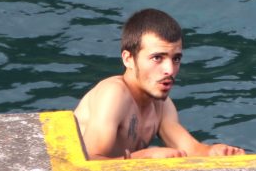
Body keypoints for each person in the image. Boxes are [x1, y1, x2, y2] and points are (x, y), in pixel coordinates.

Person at [74, 8, 244, 159]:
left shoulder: (162, 105)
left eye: (176, 58)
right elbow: (89, 162)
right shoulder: (113, 94)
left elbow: (191, 150)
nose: (169, 70)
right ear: (128, 59)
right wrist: (144, 156)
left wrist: (213, 152)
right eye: (157, 58)